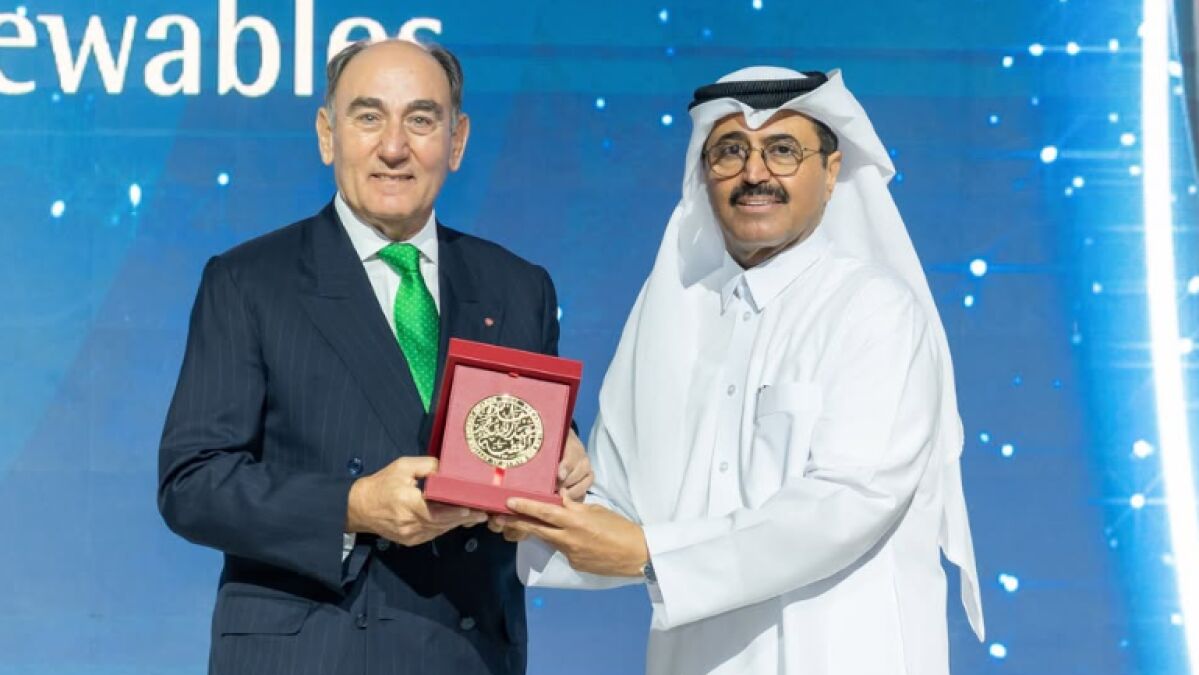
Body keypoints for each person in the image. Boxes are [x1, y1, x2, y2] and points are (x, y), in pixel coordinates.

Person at [494, 66, 985, 674]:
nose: (755, 174)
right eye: (730, 151)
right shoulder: (671, 315)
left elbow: (849, 501)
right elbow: (619, 501)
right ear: (704, 171)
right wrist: (530, 504)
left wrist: (654, 556)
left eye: (782, 150)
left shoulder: (874, 311)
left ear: (832, 171)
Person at [158, 39, 591, 675]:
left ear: (457, 141)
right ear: (327, 134)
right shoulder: (249, 281)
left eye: (421, 120)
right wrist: (352, 504)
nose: (393, 147)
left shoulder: (518, 287)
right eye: (368, 117)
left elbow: (520, 438)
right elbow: (192, 484)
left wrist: (563, 460)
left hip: (467, 653)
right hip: (313, 653)